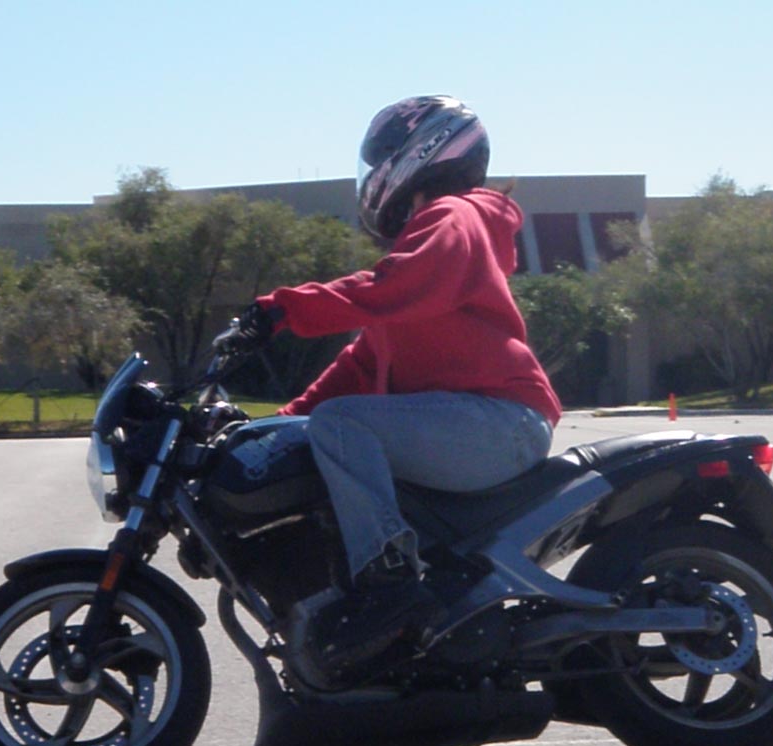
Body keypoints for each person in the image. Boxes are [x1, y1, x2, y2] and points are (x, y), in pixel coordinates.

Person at [220, 95, 561, 687]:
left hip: (499, 421)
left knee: (341, 426)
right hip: (475, 425)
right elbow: (356, 368)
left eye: (380, 159)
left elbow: (391, 287)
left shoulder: (454, 217)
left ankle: (390, 583)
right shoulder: (433, 249)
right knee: (332, 424)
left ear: (422, 151)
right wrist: (267, 427)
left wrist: (283, 310)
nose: (373, 174)